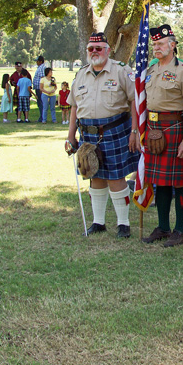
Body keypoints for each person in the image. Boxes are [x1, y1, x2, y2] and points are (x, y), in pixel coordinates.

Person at [66, 32, 138, 238]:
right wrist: (71, 136)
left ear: (108, 50)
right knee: (94, 175)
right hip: (87, 132)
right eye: (91, 48)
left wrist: (135, 131)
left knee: (116, 178)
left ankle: (123, 224)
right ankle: (98, 222)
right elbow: (73, 106)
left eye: (99, 48)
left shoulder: (121, 71)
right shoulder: (81, 74)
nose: (95, 52)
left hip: (115, 130)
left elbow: (136, 102)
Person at [140, 24, 183, 247]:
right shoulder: (151, 70)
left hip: (175, 129)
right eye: (154, 44)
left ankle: (180, 230)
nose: (156, 48)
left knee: (181, 183)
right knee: (160, 183)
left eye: (161, 44)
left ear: (172, 45)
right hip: (154, 131)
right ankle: (163, 227)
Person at [32, 55, 46, 122]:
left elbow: (42, 78)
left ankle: (42, 117)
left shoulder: (41, 68)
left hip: (39, 88)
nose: (36, 62)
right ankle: (42, 117)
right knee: (40, 102)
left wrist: (41, 88)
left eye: (37, 61)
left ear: (40, 61)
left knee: (40, 102)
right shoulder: (40, 67)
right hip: (38, 87)